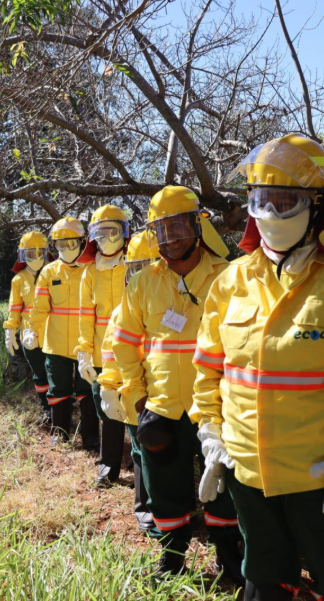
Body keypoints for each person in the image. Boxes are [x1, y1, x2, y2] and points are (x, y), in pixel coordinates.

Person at [191, 134, 324, 601]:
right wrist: (210, 432)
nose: (270, 213)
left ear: (317, 205)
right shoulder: (230, 282)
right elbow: (208, 369)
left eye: (284, 200)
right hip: (248, 475)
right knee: (267, 578)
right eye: (260, 199)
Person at [111, 186, 244, 581]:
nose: (170, 239)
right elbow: (125, 343)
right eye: (161, 231)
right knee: (165, 489)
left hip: (217, 410)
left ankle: (229, 562)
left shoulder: (228, 276)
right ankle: (171, 561)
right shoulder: (143, 283)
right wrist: (137, 400)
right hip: (162, 406)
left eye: (178, 228)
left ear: (197, 225)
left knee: (223, 489)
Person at [96, 229, 159, 531]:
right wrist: (107, 386)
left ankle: (176, 506)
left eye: (150, 267)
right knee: (140, 448)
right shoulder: (122, 311)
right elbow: (110, 352)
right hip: (135, 395)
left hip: (172, 396)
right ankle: (143, 505)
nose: (142, 276)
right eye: (136, 268)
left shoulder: (180, 305)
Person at [23, 217, 97, 448]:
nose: (65, 249)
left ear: (83, 242)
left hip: (86, 344)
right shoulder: (48, 272)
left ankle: (91, 439)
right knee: (58, 389)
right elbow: (40, 307)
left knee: (87, 390)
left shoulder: (93, 269)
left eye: (71, 244)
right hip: (55, 343)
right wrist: (31, 330)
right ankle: (59, 434)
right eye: (60, 245)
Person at [75, 205, 130, 487]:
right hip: (100, 352)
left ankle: (142, 461)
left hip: (133, 348)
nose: (108, 237)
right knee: (105, 409)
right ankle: (109, 465)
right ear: (93, 236)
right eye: (102, 232)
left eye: (113, 230)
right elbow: (85, 315)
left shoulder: (134, 262)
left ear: (124, 232)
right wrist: (83, 351)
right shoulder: (89, 272)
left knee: (135, 402)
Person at [4, 231, 52, 424]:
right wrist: (10, 331)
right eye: (31, 254)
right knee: (39, 374)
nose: (36, 258)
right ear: (23, 255)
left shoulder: (54, 272)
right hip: (29, 336)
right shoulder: (18, 280)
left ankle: (61, 410)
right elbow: (14, 310)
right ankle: (46, 409)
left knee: (56, 373)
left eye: (40, 253)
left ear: (46, 253)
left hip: (53, 334)